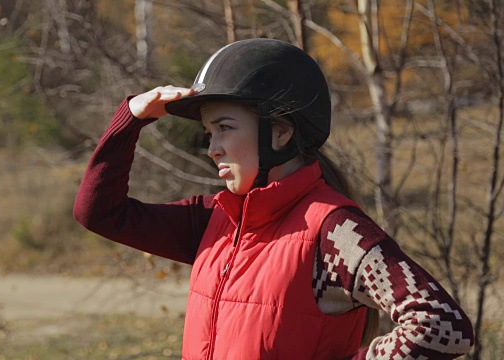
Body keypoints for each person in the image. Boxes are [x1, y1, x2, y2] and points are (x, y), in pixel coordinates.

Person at [74, 38, 474, 359]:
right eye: (209, 133)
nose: (213, 148)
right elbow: (99, 213)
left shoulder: (333, 230)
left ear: (280, 133)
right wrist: (132, 117)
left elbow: (443, 326)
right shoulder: (216, 221)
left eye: (225, 128)